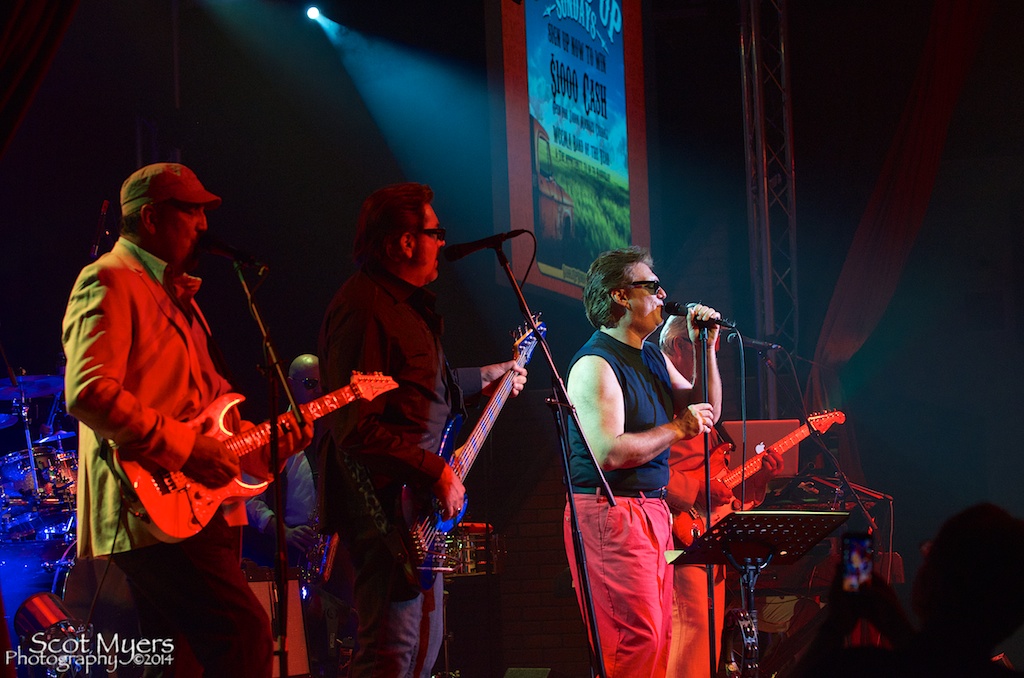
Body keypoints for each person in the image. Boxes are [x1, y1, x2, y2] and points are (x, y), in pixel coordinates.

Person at [61, 162, 311, 677]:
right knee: (244, 635)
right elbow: (88, 391)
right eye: (191, 210)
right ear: (150, 217)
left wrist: (264, 449)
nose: (203, 224)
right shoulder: (109, 279)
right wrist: (187, 449)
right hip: (148, 508)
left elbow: (208, 412)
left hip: (193, 509)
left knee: (180, 663)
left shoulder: (178, 296)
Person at [317, 182, 527, 678]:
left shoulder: (406, 308)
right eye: (435, 232)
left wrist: (484, 377)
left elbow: (416, 390)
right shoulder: (365, 308)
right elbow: (354, 427)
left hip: (414, 510)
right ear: (403, 242)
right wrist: (436, 471)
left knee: (417, 657)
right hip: (384, 511)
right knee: (390, 656)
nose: (442, 242)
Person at [563, 246, 722, 678]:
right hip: (610, 510)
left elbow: (705, 410)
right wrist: (677, 429)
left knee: (659, 640)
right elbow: (608, 452)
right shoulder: (595, 364)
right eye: (651, 286)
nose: (662, 294)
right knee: (635, 641)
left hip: (651, 510)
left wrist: (705, 348)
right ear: (620, 295)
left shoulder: (652, 355)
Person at [659, 315, 783, 678]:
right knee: (690, 637)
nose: (711, 359)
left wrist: (759, 479)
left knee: (705, 641)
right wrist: (696, 490)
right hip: (678, 538)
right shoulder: (660, 398)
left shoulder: (700, 412)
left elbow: (722, 493)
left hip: (710, 540)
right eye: (704, 348)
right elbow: (643, 470)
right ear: (680, 345)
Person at [794, 502, 1024, 677]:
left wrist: (835, 626)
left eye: (930, 553)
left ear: (932, 583)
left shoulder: (870, 668)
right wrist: (900, 631)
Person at [245, 354, 322, 567]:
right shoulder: (272, 436)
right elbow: (249, 499)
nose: (319, 391)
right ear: (290, 385)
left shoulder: (334, 432)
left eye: (323, 384)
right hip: (292, 546)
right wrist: (283, 532)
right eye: (310, 384)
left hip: (335, 542)